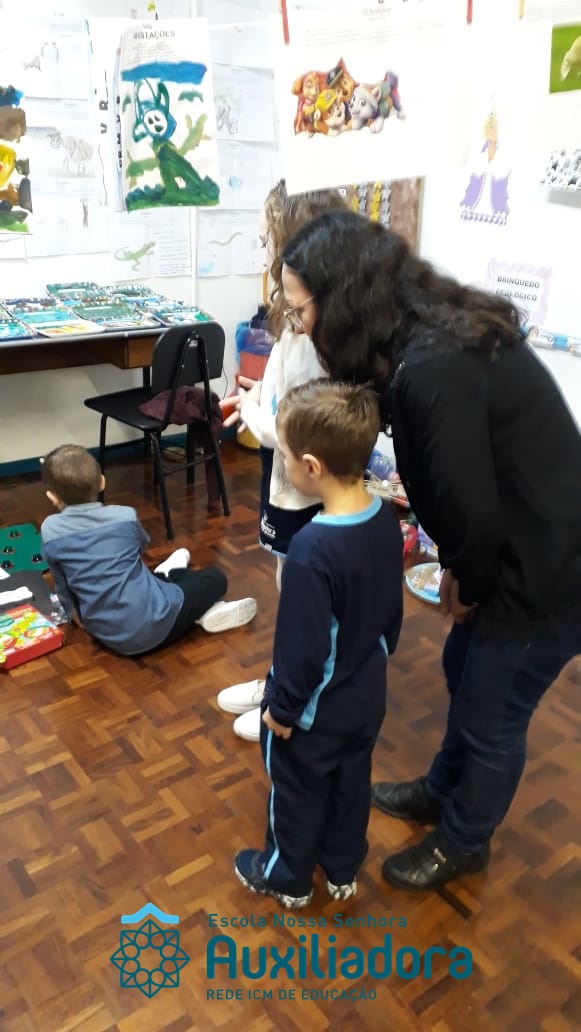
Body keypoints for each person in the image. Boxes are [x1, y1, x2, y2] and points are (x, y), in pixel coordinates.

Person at [279, 209, 581, 891]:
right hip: (514, 546)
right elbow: (460, 488)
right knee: (463, 667)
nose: (298, 325)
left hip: (549, 569)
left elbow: (471, 508)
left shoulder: (431, 365)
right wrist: (459, 568)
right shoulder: (420, 339)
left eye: (300, 309)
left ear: (343, 301)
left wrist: (466, 578)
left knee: (493, 712)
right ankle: (442, 788)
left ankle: (464, 841)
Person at [234, 380, 403, 908]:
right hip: (367, 695)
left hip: (312, 713)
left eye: (283, 455)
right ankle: (342, 869)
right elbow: (390, 609)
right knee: (352, 786)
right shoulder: (384, 516)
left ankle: (285, 878)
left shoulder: (310, 549)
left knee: (297, 792)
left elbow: (302, 648)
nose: (281, 463)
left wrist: (282, 709)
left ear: (311, 466)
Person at [217, 179, 350, 742]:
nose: (264, 250)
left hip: (307, 493)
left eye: (269, 239)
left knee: (307, 604)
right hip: (287, 487)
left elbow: (297, 434)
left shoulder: (321, 336)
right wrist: (257, 396)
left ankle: (296, 701)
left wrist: (254, 411)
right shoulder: (295, 322)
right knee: (289, 593)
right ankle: (282, 680)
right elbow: (281, 393)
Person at [40, 444, 257, 657]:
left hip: (105, 634)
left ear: (52, 497)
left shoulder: (50, 531)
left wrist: (72, 613)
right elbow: (142, 544)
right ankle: (202, 610)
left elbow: (62, 584)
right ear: (102, 482)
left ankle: (169, 578)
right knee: (215, 578)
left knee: (149, 580)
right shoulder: (124, 517)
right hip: (158, 625)